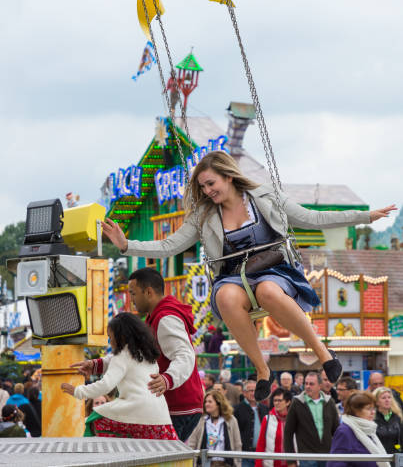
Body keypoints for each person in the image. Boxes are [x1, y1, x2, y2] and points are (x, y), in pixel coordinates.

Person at [102, 151, 395, 401]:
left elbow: (312, 218)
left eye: (211, 183)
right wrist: (126, 245)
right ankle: (262, 368)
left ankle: (321, 351)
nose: (207, 191)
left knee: (268, 291)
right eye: (202, 187)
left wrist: (364, 216)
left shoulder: (264, 197)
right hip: (233, 278)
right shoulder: (204, 216)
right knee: (226, 296)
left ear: (228, 176)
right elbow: (170, 245)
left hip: (274, 268)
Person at [71, 269, 203, 442]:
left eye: (133, 293)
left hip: (177, 405)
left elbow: (185, 355)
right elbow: (134, 355)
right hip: (175, 404)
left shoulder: (165, 318)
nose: (131, 300)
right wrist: (98, 364)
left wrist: (167, 379)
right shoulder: (156, 318)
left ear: (148, 292)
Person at [63, 312, 177, 439]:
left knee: (93, 420)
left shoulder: (122, 355)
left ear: (121, 337)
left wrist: (78, 391)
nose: (110, 342)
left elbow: (106, 384)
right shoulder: (148, 355)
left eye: (110, 338)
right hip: (161, 419)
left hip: (136, 415)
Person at [284, 371, 339, 467]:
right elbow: (288, 433)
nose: (308, 386)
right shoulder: (297, 403)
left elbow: (336, 431)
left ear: (319, 386)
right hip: (307, 457)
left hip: (327, 456)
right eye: (306, 383)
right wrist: (291, 461)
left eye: (311, 384)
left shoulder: (329, 402)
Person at [328, 391, 390, 467]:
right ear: (355, 411)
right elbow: (336, 463)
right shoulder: (344, 431)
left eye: (373, 408)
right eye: (368, 409)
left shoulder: (368, 429)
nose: (373, 412)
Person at [187, 390, 242, 467]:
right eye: (205, 402)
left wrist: (238, 464)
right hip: (205, 463)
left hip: (225, 464)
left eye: (210, 402)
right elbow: (192, 443)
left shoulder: (231, 420)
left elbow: (237, 444)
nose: (206, 404)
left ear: (218, 403)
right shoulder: (201, 420)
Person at [234, 380, 269, 467]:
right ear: (244, 393)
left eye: (256, 390)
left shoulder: (265, 408)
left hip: (262, 454)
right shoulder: (237, 409)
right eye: (251, 391)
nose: (254, 393)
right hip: (245, 454)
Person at [255, 388, 292, 467]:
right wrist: (258, 464)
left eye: (279, 400)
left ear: (288, 402)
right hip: (271, 464)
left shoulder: (294, 419)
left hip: (291, 464)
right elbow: (261, 444)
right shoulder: (267, 419)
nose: (276, 403)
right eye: (275, 400)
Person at [373, 386, 403, 454]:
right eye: (383, 398)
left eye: (389, 397)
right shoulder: (372, 418)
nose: (387, 400)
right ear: (376, 402)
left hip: (396, 457)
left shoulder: (398, 417)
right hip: (379, 457)